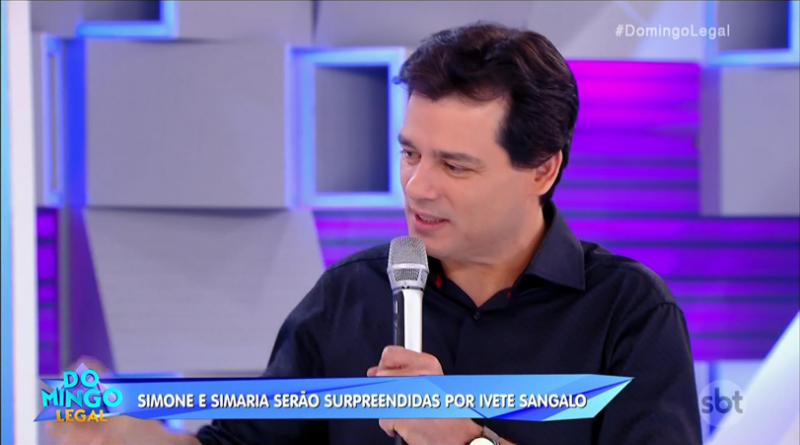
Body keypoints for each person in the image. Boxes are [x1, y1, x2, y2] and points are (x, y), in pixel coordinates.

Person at [48, 22, 701, 445]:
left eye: (455, 166)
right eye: (410, 153)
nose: (417, 186)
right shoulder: (349, 293)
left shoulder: (629, 311)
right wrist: (120, 435)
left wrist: (467, 440)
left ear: (542, 169)